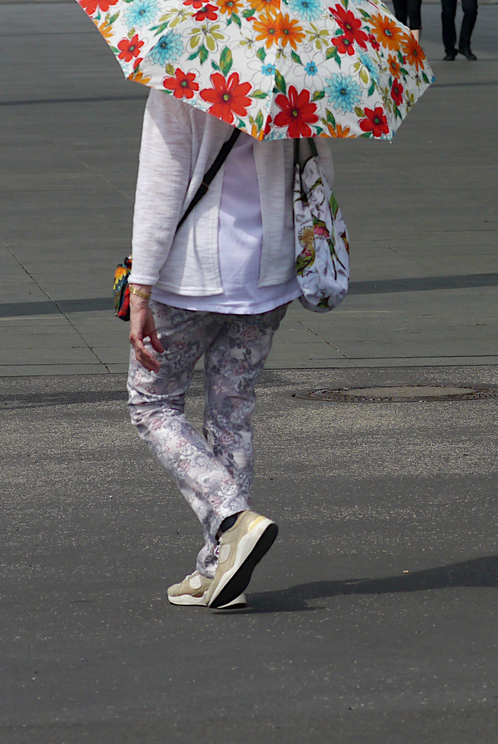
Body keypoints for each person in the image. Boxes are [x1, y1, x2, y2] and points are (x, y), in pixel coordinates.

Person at [126, 92, 333, 609]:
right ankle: (221, 565)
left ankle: (231, 515)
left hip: (192, 274)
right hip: (271, 268)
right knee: (232, 413)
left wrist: (140, 288)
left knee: (152, 403)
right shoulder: (299, 75)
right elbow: (318, 169)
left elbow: (161, 183)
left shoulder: (181, 80)